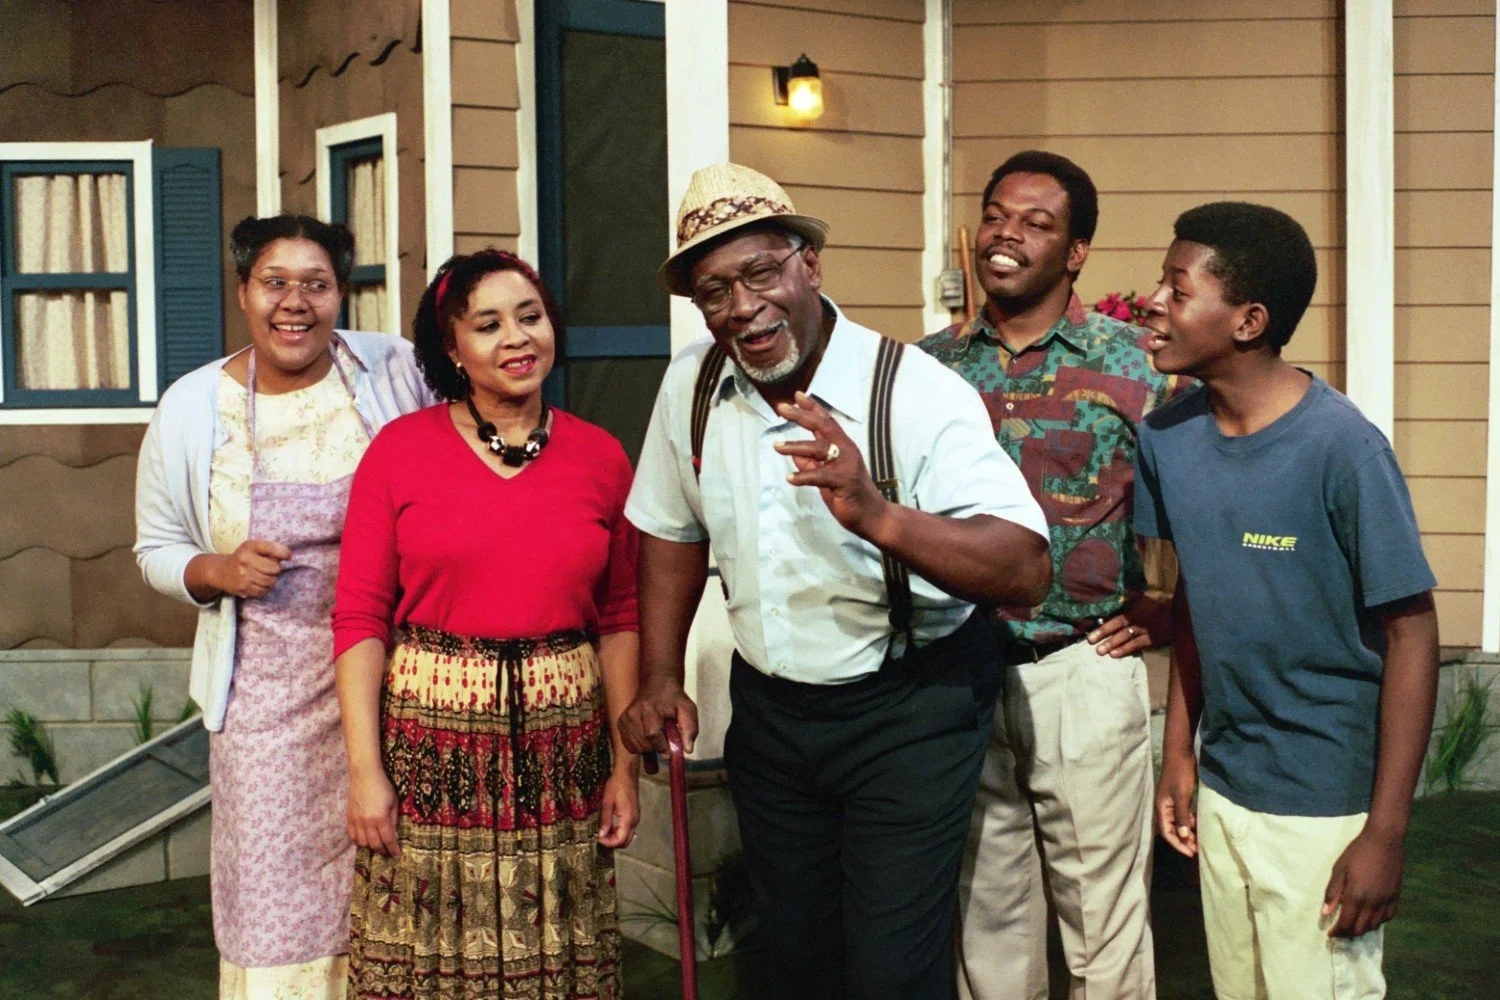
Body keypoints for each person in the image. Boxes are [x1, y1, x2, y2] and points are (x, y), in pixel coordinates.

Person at [617, 161, 1052, 1000]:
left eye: (760, 273)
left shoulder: (915, 391)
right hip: (775, 716)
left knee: (890, 971)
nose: (742, 307)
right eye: (714, 291)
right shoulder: (693, 384)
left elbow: (1025, 566)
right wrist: (662, 673)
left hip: (908, 709)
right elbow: (671, 528)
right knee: (796, 959)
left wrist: (878, 515)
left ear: (808, 265)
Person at [1138, 202, 1440, 999]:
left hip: (1323, 806)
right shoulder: (1167, 437)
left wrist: (1385, 832)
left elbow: (1412, 633)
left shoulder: (1344, 449)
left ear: (1249, 321)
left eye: (1177, 289)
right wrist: (1179, 755)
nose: (1152, 302)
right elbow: (1197, 599)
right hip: (1224, 787)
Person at [134, 214, 435, 998]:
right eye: (275, 283)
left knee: (394, 884)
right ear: (243, 292)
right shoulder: (193, 406)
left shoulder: (392, 368)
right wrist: (218, 568)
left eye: (316, 284)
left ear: (342, 295)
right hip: (265, 702)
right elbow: (155, 547)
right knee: (273, 900)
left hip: (395, 681)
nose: (294, 302)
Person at [332, 249, 641, 1000]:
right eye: (488, 324)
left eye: (530, 317)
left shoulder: (600, 457)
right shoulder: (399, 453)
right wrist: (366, 773)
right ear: (452, 348)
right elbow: (361, 616)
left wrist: (623, 766)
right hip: (432, 749)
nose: (517, 338)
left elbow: (620, 616)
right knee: (431, 957)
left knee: (556, 956)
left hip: (563, 748)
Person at [919, 150, 1180, 1000]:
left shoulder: (1137, 366)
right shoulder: (928, 369)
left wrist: (1165, 609)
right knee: (987, 925)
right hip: (958, 671)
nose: (1007, 235)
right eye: (997, 215)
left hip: (1082, 667)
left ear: (1076, 253)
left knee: (1103, 930)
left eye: (1036, 223)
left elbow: (1200, 501)